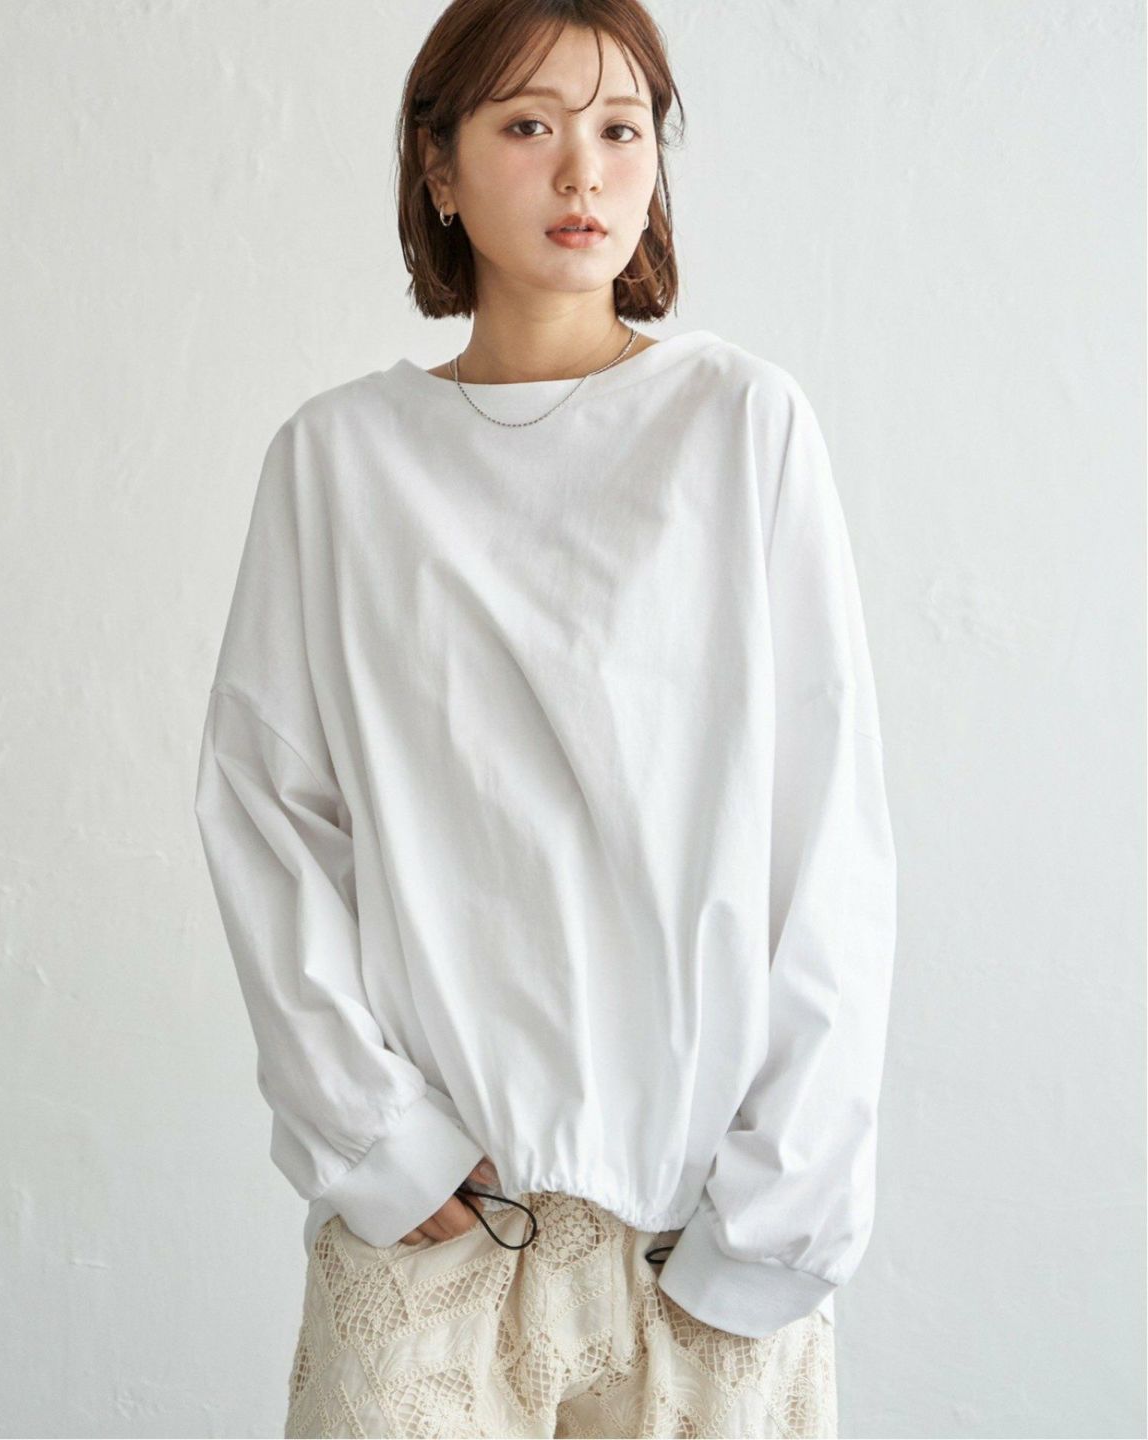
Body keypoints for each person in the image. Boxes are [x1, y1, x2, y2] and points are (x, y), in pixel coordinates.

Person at [193, 2, 897, 1436]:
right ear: (438, 166)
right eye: (529, 126)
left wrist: (781, 1209)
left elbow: (826, 835)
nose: (585, 172)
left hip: (700, 1238)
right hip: (441, 1237)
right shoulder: (339, 461)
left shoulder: (740, 425)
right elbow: (268, 813)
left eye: (622, 129)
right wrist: (374, 1136)